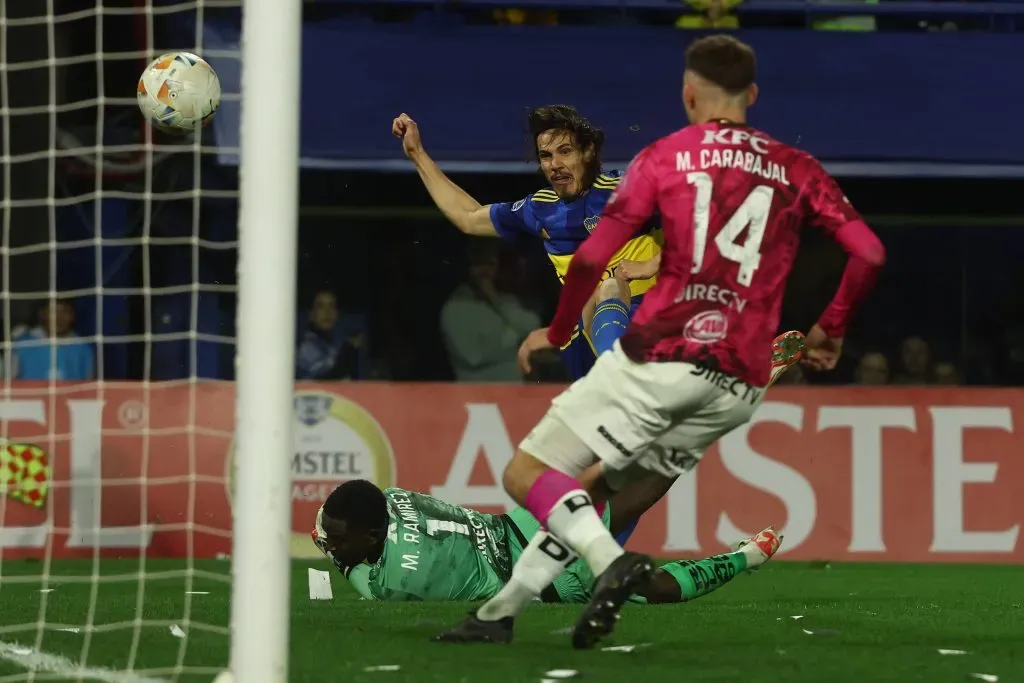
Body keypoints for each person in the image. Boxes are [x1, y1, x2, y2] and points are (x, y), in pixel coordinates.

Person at [436, 34, 885, 649]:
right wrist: (829, 330)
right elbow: (868, 252)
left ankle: (608, 568)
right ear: (752, 94)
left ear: (688, 93)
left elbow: (595, 259)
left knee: (529, 474)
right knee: (601, 497)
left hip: (657, 359)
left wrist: (558, 330)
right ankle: (499, 615)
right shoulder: (794, 166)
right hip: (734, 383)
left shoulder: (665, 159)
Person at [393, 105, 660, 546]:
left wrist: (650, 261)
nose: (555, 165)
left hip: (643, 323)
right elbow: (468, 217)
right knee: (605, 471)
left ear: (588, 151)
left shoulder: (629, 191)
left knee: (609, 288)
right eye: (546, 156)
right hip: (587, 344)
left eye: (565, 152)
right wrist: (418, 155)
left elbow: (701, 228)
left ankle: (636, 379)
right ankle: (597, 563)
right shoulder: (540, 210)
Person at [312, 478, 781, 605]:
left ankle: (745, 558)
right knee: (624, 485)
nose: (332, 544)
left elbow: (357, 573)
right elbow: (354, 511)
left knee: (650, 586)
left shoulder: (398, 582)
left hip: (545, 576)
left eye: (337, 539)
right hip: (522, 522)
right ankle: (705, 417)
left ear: (373, 535)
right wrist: (330, 535)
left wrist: (336, 558)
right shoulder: (389, 499)